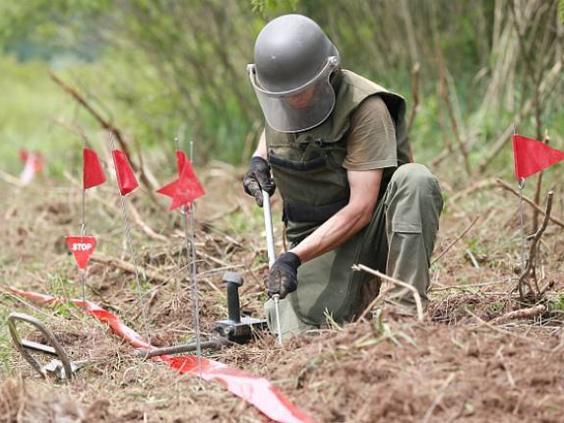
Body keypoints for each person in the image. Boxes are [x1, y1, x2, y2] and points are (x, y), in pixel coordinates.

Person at [243, 14, 443, 339]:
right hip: (314, 238)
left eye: (300, 92)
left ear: (326, 73)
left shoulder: (366, 109)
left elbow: (361, 208)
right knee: (300, 332)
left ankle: (405, 312)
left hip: (368, 229)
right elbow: (277, 126)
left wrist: (292, 259)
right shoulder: (283, 94)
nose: (292, 101)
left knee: (415, 179)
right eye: (283, 96)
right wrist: (258, 160)